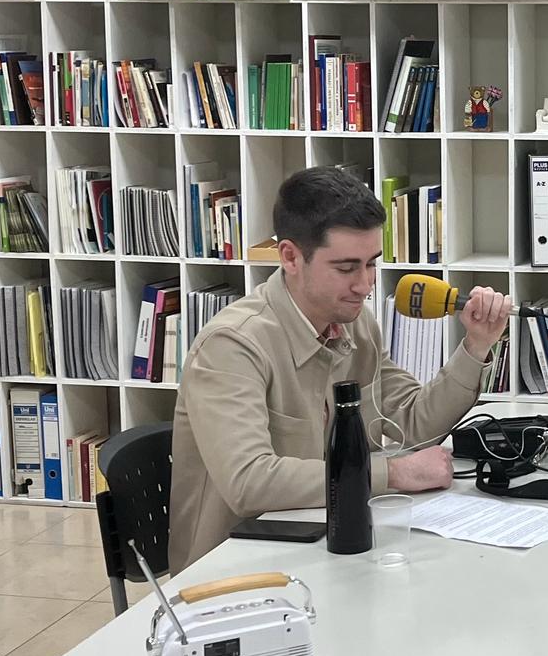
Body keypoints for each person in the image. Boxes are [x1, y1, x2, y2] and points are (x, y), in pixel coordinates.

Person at [168, 167, 512, 571]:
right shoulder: (232, 346)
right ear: (291, 257)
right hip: (236, 572)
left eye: (372, 264)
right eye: (347, 268)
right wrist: (393, 473)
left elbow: (411, 423)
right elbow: (250, 482)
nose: (365, 285)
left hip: (328, 546)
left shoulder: (355, 322)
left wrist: (476, 345)